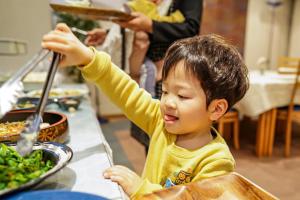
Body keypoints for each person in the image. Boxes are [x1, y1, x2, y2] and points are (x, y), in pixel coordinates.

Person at [42, 23, 249, 198]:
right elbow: (126, 91)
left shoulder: (216, 162)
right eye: (165, 91)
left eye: (182, 96)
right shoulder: (161, 121)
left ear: (216, 108)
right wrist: (87, 58)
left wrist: (141, 189)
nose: (167, 102)